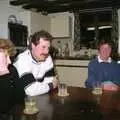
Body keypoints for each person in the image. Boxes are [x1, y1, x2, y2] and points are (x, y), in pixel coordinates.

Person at [14, 30, 58, 96]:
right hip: (21, 101)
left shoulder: (48, 58)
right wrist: (51, 86)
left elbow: (49, 81)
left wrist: (41, 87)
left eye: (48, 48)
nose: (46, 52)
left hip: (40, 97)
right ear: (33, 45)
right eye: (43, 47)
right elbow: (31, 90)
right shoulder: (22, 59)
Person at [0, 39, 25, 119]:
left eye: (9, 57)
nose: (9, 61)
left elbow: (20, 96)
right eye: (5, 56)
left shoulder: (11, 69)